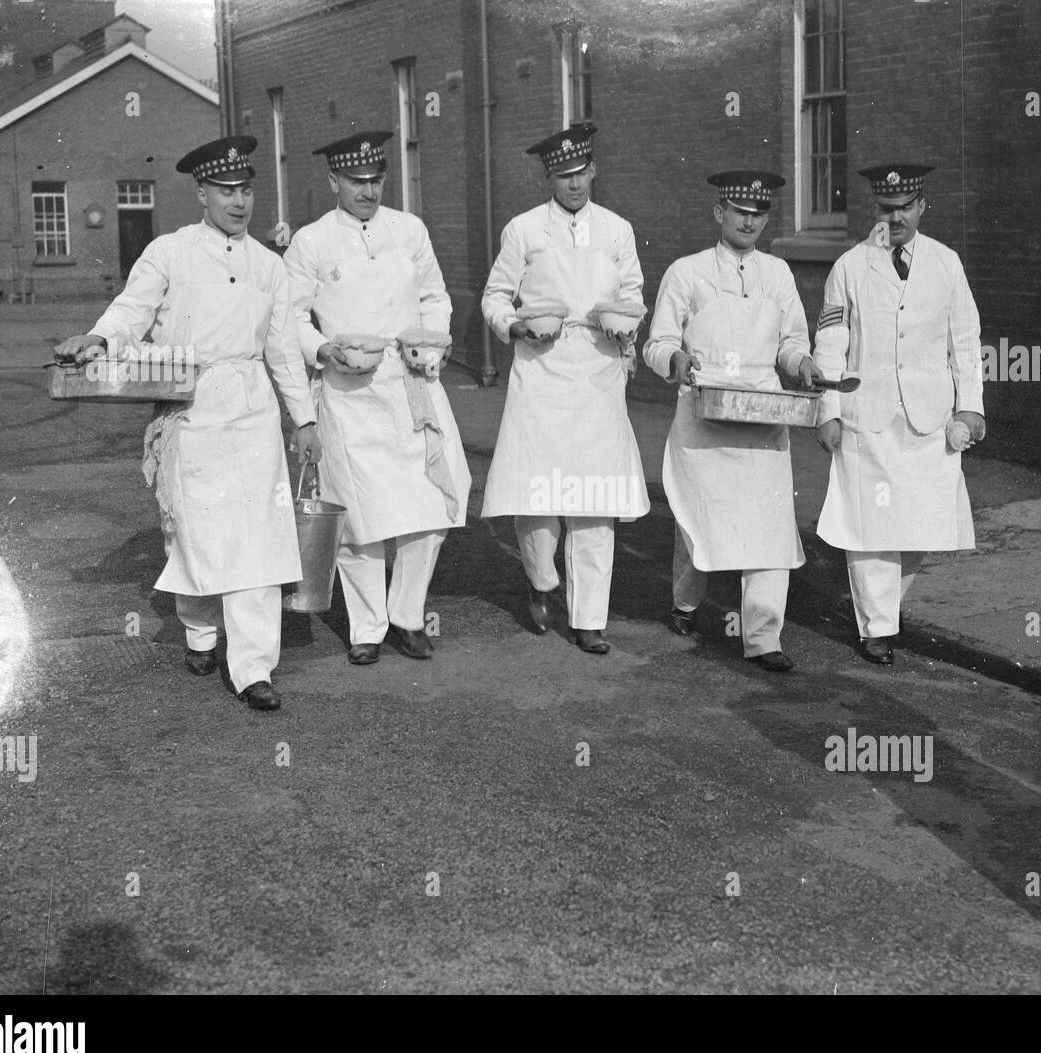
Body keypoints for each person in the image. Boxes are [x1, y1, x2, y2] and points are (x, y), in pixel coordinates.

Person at [53, 135, 321, 710]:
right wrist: (100, 337)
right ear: (202, 193)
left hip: (251, 408)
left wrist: (304, 418)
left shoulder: (270, 267)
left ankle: (254, 670)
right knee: (195, 530)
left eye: (246, 190)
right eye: (225, 191)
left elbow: (282, 351)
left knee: (257, 538)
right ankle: (200, 629)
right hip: (189, 404)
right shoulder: (169, 252)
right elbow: (133, 310)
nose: (238, 201)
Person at [283, 132, 470, 665]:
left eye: (375, 180)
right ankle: (367, 627)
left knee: (431, 506)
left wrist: (431, 343)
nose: (367, 191)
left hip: (413, 385)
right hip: (348, 392)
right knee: (360, 518)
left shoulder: (409, 230)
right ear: (334, 181)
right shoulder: (312, 241)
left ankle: (408, 617)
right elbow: (290, 318)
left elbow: (435, 296)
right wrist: (323, 351)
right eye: (356, 181)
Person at [481, 122, 650, 655]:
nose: (573, 184)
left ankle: (589, 618)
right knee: (538, 491)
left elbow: (633, 295)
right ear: (548, 176)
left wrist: (626, 325)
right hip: (541, 368)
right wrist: (514, 327)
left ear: (593, 170)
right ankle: (542, 580)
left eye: (581, 172)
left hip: (598, 369)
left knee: (594, 499)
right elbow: (495, 296)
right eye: (562, 175)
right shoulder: (524, 230)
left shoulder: (617, 230)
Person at [644, 171, 819, 671]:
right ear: (720, 213)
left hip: (763, 412)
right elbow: (657, 341)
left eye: (759, 213)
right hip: (704, 409)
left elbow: (791, 341)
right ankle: (685, 603)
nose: (749, 221)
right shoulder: (687, 271)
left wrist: (801, 363)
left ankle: (764, 638)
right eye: (740, 212)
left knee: (769, 524)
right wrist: (675, 361)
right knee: (697, 518)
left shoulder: (778, 274)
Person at [813, 164, 986, 666]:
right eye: (887, 208)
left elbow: (966, 341)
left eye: (905, 207)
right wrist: (827, 409)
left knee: (924, 524)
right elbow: (830, 343)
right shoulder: (849, 266)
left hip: (930, 419)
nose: (897, 217)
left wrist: (971, 407)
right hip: (867, 416)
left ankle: (884, 611)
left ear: (921, 206)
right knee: (871, 527)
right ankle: (877, 628)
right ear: (875, 209)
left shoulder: (946, 264)